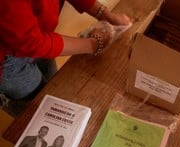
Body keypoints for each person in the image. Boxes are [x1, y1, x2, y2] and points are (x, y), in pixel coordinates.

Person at [0, 0, 131, 116]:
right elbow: (32, 43)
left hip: (40, 35)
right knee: (41, 112)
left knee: (54, 91)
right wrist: (93, 45)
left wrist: (105, 15)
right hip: (6, 64)